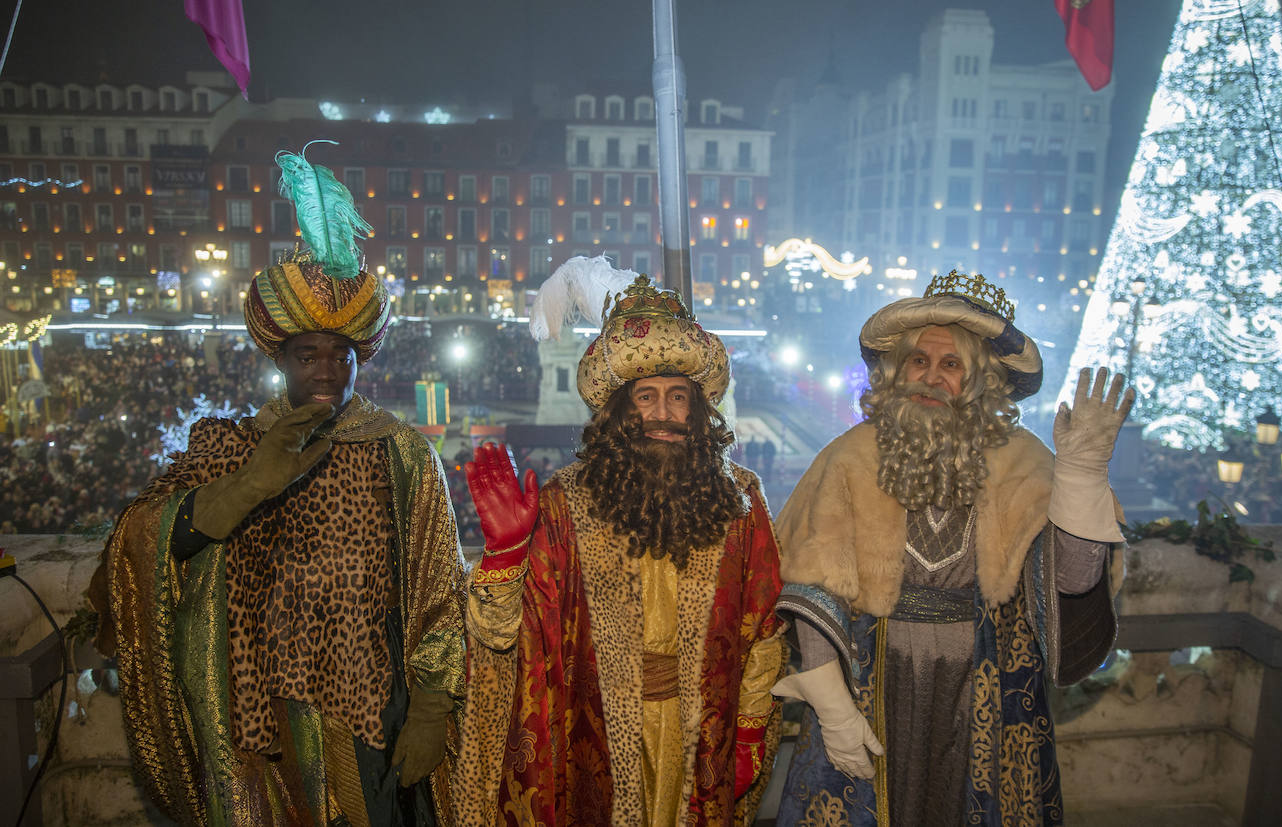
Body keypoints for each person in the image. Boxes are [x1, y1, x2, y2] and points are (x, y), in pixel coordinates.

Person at [89, 151, 467, 826]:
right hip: (258, 731)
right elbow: (139, 541)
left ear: (360, 357)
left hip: (374, 722)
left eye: (339, 352)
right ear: (280, 358)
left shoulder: (402, 453)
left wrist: (433, 708)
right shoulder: (229, 445)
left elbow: (441, 591)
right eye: (306, 353)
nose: (326, 368)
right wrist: (244, 487)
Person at [773, 270, 1130, 825]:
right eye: (919, 361)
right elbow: (810, 582)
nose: (930, 377)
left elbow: (1074, 583)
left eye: (951, 365)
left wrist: (1082, 475)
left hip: (986, 683)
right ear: (898, 370)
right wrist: (831, 704)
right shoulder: (850, 456)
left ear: (983, 380)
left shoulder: (1025, 462)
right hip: (873, 679)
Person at [453, 273, 785, 825]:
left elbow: (763, 625)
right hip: (594, 734)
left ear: (697, 410)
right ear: (620, 412)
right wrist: (505, 557)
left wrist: (750, 730)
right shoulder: (565, 503)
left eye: (678, 398)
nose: (661, 413)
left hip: (706, 735)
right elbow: (507, 638)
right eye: (646, 398)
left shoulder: (740, 499)